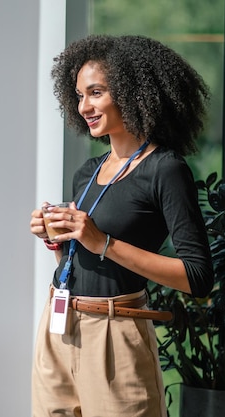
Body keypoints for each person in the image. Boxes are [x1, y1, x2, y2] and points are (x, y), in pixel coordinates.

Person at [29, 34, 214, 417]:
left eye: (95, 93)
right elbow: (83, 259)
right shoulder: (88, 172)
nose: (84, 107)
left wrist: (103, 242)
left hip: (115, 333)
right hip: (58, 326)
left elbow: (198, 277)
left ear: (131, 92)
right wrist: (57, 238)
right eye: (79, 95)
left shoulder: (165, 170)